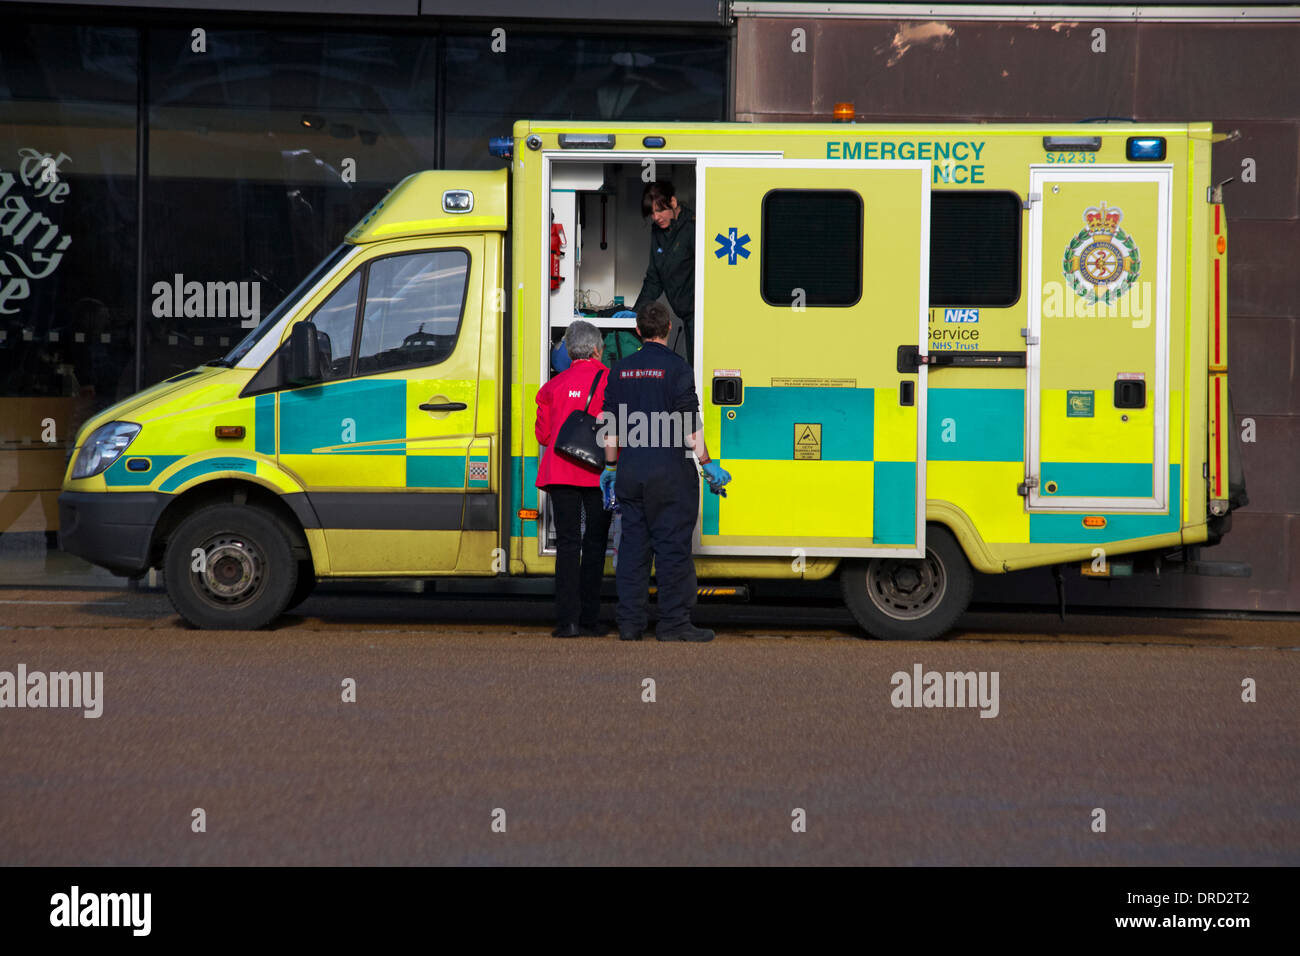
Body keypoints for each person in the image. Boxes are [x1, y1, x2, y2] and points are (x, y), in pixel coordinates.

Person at [599, 302, 731, 642]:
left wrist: (611, 467)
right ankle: (674, 624)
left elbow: (610, 427)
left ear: (639, 332)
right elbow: (690, 425)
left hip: (631, 472)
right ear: (669, 329)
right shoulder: (678, 368)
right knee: (672, 550)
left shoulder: (619, 370)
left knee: (632, 551)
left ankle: (630, 625)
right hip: (670, 474)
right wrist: (708, 464)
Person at [535, 320, 612, 638]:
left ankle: (567, 622)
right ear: (596, 349)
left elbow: (543, 436)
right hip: (600, 474)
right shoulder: (611, 380)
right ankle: (591, 620)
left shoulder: (551, 387)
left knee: (568, 545)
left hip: (560, 472)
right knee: (595, 546)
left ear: (569, 351)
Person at [632, 181, 695, 363]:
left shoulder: (692, 228)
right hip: (685, 315)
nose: (656, 217)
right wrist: (636, 314)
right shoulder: (658, 232)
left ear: (673, 202)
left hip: (699, 315)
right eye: (652, 213)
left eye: (659, 210)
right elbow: (654, 278)